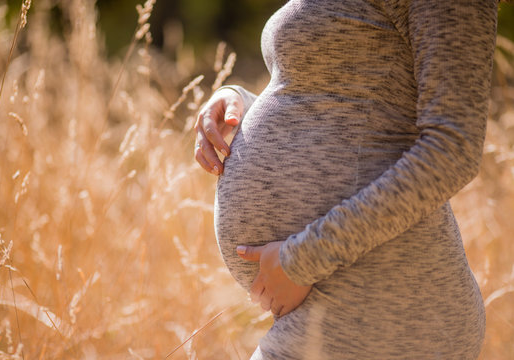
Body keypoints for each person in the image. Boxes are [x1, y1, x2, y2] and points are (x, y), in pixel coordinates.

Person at [194, 0, 498, 358]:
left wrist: (302, 259)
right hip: (343, 294)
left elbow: (453, 150)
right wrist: (238, 102)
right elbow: (341, 103)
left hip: (386, 299)